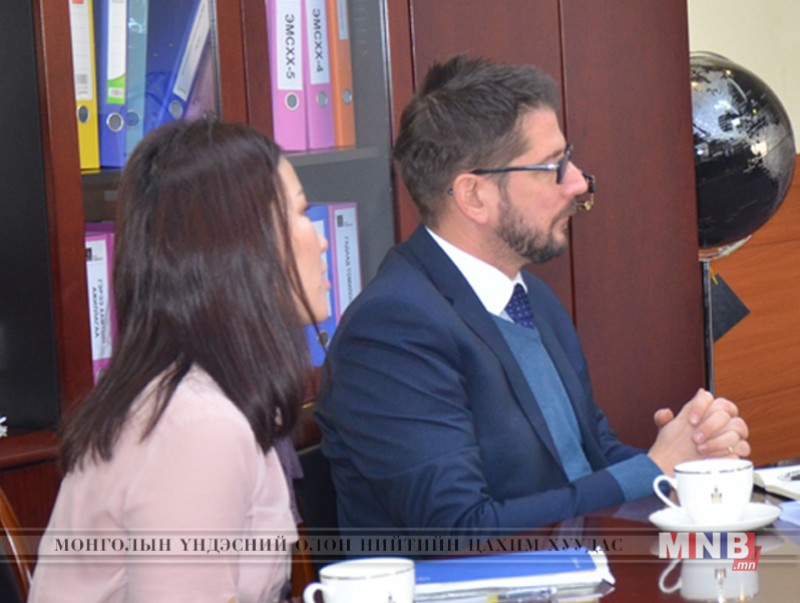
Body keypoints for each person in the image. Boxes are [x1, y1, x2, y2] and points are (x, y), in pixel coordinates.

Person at [315, 55, 750, 534]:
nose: (577, 181)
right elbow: (460, 529)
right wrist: (653, 469)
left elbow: (590, 456)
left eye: (569, 157)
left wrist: (690, 463)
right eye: (551, 166)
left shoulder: (531, 298)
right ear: (474, 196)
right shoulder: (392, 330)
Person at [29, 119, 329, 602]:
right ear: (240, 246)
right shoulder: (198, 425)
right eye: (300, 212)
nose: (322, 239)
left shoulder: (206, 396)